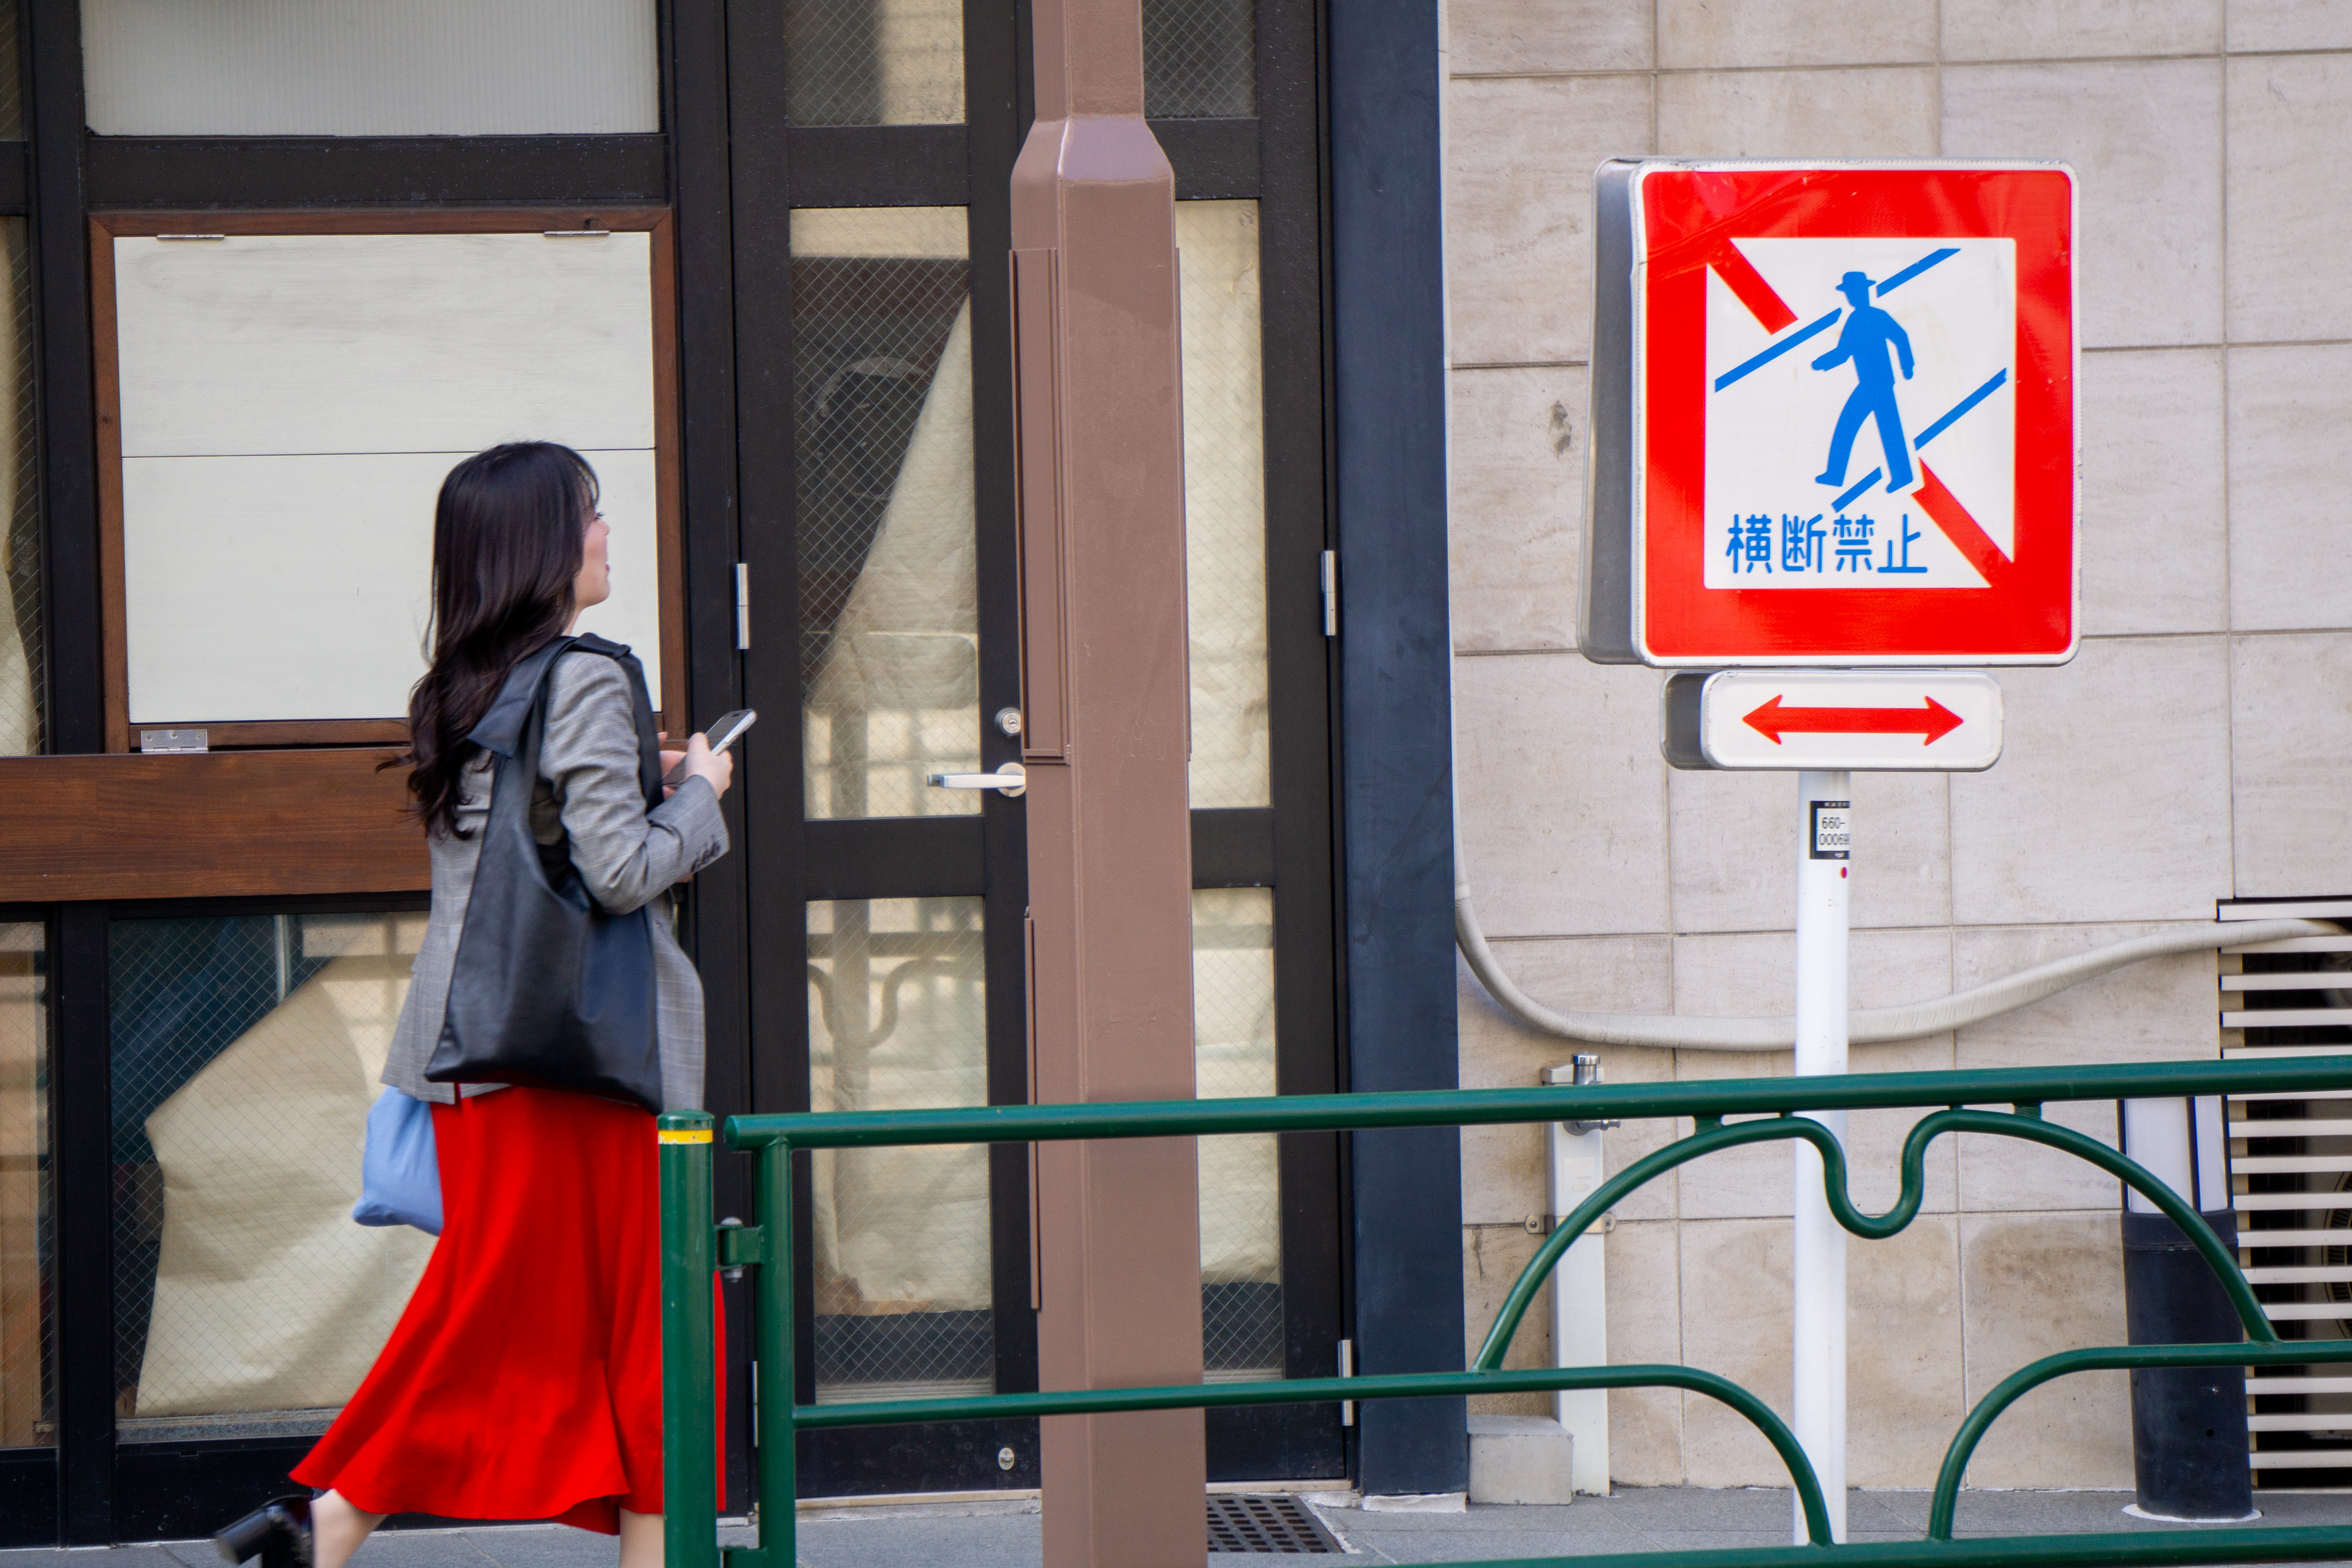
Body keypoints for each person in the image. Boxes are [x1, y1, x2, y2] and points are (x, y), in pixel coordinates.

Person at [214, 442, 734, 1568]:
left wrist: (634, 782)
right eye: (590, 515)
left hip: (485, 1054)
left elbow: (527, 846)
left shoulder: (463, 684)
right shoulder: (585, 677)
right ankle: (323, 1518)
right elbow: (621, 874)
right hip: (581, 1063)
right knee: (646, 1326)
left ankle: (319, 1523)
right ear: (543, 543)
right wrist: (699, 795)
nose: (607, 533)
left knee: (513, 1314)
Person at [1811, 270, 1916, 494]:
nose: (1851, 296)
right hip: (1873, 383)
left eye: (1854, 291)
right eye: (1849, 293)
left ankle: (1836, 475)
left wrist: (1907, 366)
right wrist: (1823, 362)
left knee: (1851, 426)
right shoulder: (1855, 320)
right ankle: (1902, 476)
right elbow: (1844, 352)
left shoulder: (1877, 316)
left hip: (1877, 384)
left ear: (1864, 292)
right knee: (1887, 428)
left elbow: (1900, 336)